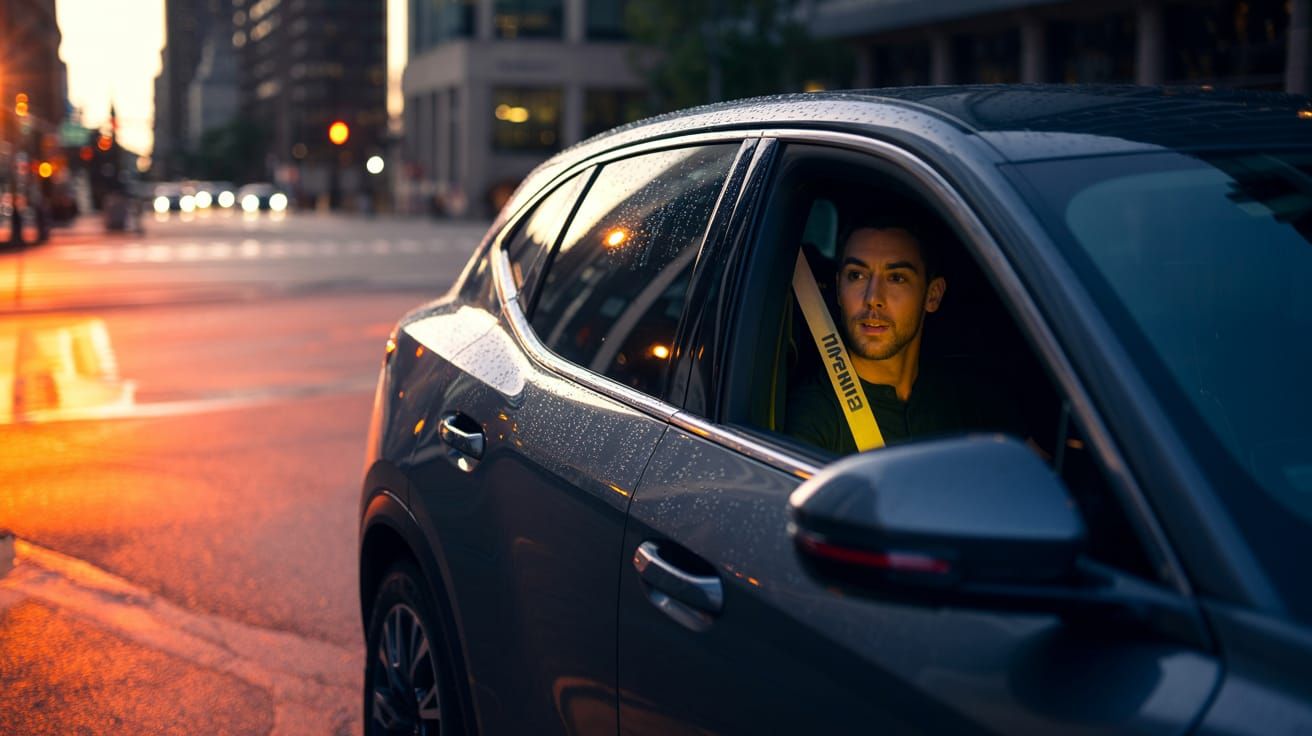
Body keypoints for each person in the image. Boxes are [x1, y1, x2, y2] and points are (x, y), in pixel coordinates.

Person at [785, 215, 1022, 455]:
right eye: (857, 275)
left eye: (896, 278)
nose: (873, 299)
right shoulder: (815, 417)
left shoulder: (966, 397)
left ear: (933, 295)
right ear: (838, 289)